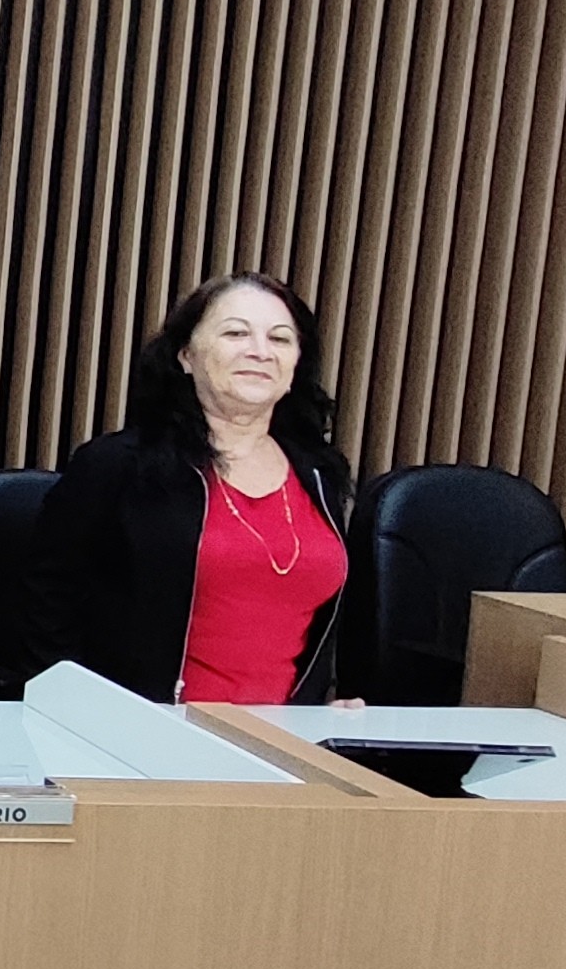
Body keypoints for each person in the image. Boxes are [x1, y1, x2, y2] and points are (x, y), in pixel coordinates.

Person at [24, 272, 354, 704]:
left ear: (295, 366)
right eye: (235, 333)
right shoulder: (119, 464)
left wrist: (325, 706)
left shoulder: (319, 474)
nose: (260, 351)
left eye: (279, 338)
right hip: (145, 729)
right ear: (186, 355)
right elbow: (46, 605)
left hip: (286, 736)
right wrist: (81, 712)